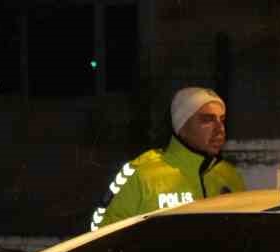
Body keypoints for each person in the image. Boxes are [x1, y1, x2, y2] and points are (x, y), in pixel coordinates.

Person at [90, 87, 246, 230]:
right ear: (181, 126)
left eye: (222, 120)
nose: (220, 129)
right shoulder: (142, 174)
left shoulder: (229, 175)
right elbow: (101, 235)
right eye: (207, 120)